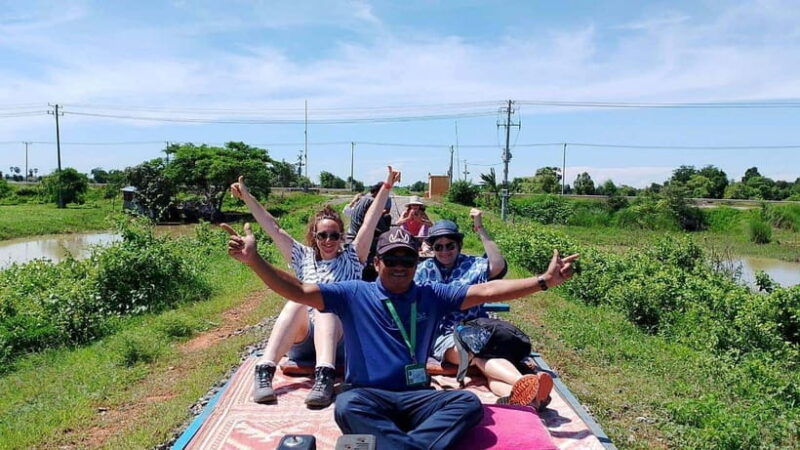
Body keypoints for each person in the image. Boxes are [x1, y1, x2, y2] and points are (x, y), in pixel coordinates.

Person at [223, 223, 578, 449]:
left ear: (414, 264)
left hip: (419, 398)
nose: (398, 267)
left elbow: (488, 292)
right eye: (390, 260)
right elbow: (299, 290)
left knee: (467, 403)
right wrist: (255, 260)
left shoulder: (431, 294)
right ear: (376, 263)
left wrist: (543, 282)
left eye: (406, 261)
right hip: (369, 397)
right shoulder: (352, 293)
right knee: (347, 405)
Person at [229, 166, 401, 407]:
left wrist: (386, 187)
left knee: (326, 305)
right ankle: (265, 371)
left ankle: (324, 378)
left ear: (342, 237)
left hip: (341, 341)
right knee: (297, 300)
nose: (328, 241)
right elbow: (273, 227)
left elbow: (368, 224)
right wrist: (247, 197)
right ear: (314, 236)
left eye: (334, 235)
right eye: (323, 235)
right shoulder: (302, 256)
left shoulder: (353, 256)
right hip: (303, 340)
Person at [415, 210, 554, 409]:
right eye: (439, 247)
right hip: (444, 335)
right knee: (478, 354)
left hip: (477, 329)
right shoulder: (424, 270)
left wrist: (480, 227)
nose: (445, 251)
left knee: (482, 357)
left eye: (450, 246)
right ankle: (522, 383)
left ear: (459, 245)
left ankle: (527, 396)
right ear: (433, 248)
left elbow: (497, 266)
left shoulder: (471, 264)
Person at [345, 181, 393, 281]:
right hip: (359, 237)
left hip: (352, 234)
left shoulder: (362, 199)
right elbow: (381, 226)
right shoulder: (371, 202)